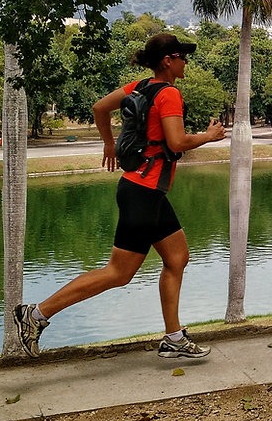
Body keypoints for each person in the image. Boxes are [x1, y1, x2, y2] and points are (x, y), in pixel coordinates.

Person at [13, 33, 225, 359]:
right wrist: (209, 136)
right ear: (168, 60)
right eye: (182, 56)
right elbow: (177, 142)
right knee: (119, 273)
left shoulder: (139, 86)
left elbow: (100, 107)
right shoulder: (168, 94)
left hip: (147, 191)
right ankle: (36, 315)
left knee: (177, 258)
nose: (186, 61)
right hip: (143, 192)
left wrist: (109, 143)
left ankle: (173, 337)